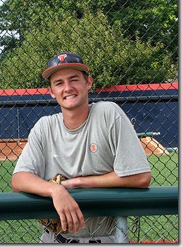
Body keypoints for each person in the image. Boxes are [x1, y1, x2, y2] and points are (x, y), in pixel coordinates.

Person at [11, 52, 151, 243]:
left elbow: (140, 176)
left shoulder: (107, 114)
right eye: (59, 83)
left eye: (74, 79)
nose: (67, 88)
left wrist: (78, 183)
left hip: (105, 237)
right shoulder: (45, 127)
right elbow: (19, 179)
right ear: (51, 91)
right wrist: (55, 190)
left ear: (88, 82)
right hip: (54, 239)